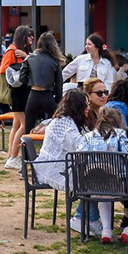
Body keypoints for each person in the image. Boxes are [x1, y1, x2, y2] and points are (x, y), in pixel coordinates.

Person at [32, 89, 92, 234]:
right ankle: (82, 218)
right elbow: (79, 146)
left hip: (66, 164)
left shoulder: (74, 121)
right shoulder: (63, 123)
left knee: (96, 176)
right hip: (53, 168)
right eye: (86, 105)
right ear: (78, 107)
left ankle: (90, 218)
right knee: (94, 179)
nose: (89, 108)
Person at [77, 107, 128, 244]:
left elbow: (79, 155)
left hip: (93, 185)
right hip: (117, 183)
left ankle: (106, 230)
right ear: (118, 121)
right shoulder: (119, 134)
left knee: (104, 193)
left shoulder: (88, 136)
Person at [2, 26, 36, 170]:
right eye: (29, 36)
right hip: (19, 92)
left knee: (17, 125)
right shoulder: (13, 51)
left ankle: (11, 155)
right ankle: (13, 157)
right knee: (24, 125)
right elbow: (4, 69)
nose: (32, 38)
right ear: (23, 37)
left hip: (20, 92)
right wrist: (24, 60)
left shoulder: (23, 51)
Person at [22, 32, 65, 134]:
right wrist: (58, 99)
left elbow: (22, 77)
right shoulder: (55, 61)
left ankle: (26, 149)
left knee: (28, 128)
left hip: (33, 94)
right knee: (56, 126)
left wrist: (30, 83)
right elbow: (59, 84)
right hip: (48, 95)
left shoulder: (30, 58)